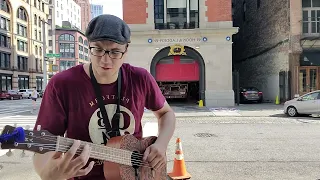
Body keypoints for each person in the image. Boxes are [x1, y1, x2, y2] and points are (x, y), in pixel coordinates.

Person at [32, 14, 176, 180]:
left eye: (115, 52)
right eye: (98, 49)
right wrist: (49, 174)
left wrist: (161, 144)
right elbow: (42, 142)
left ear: (126, 49)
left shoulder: (140, 78)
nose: (105, 60)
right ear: (88, 45)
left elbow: (166, 113)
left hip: (136, 173)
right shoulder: (62, 84)